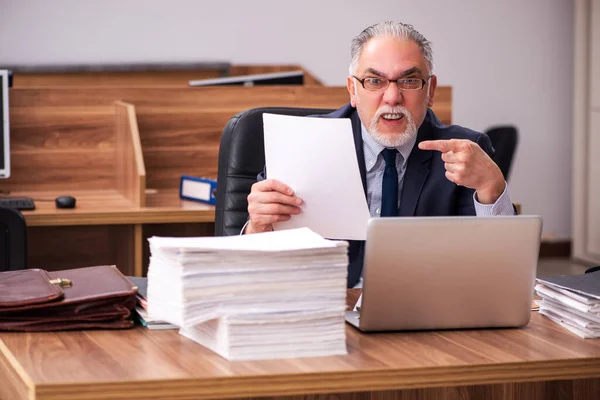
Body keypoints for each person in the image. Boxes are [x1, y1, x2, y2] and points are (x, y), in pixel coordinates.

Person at [244, 21, 515, 287]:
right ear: (353, 90)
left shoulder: (464, 151)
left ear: (430, 91)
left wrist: (493, 187)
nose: (392, 97)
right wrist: (257, 227)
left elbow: (500, 270)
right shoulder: (302, 141)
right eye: (375, 81)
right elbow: (255, 269)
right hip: (326, 306)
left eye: (409, 81)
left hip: (421, 312)